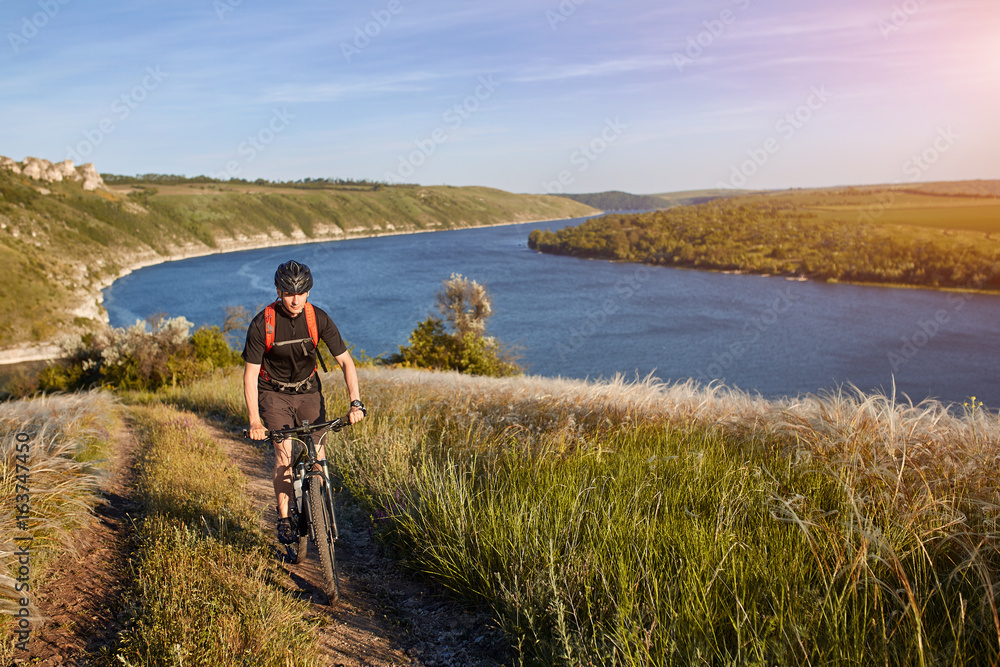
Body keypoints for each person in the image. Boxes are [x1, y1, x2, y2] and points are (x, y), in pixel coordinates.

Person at [242, 260, 365, 545]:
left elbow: (346, 362)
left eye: (301, 293)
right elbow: (249, 376)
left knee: (317, 453)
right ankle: (285, 518)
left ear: (308, 292)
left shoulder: (317, 318)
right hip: (273, 392)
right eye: (288, 293)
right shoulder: (263, 323)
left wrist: (355, 403)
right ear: (278, 291)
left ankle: (320, 512)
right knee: (284, 454)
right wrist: (254, 421)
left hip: (308, 389)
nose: (295, 300)